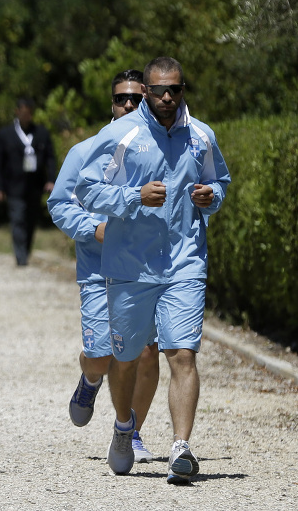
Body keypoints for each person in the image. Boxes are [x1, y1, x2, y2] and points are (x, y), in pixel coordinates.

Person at [74, 57, 230, 483]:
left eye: (175, 90)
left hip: (184, 262)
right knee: (125, 360)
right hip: (130, 267)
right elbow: (86, 188)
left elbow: (221, 183)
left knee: (182, 354)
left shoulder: (201, 135)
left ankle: (181, 446)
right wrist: (133, 198)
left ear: (183, 89)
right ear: (146, 90)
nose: (167, 97)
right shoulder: (120, 134)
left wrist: (209, 196)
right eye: (159, 90)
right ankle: (124, 427)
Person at [48, 69, 160, 463]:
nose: (128, 105)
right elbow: (59, 204)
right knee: (101, 356)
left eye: (135, 98)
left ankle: (132, 433)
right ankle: (90, 378)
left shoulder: (162, 148)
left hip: (145, 271)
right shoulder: (86, 151)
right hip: (99, 272)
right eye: (120, 99)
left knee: (146, 354)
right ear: (111, 104)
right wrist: (93, 229)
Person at [0, 97, 56, 266]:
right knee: (18, 220)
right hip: (14, 186)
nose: (26, 116)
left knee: (30, 221)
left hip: (35, 186)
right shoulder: (5, 135)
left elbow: (50, 158)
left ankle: (26, 251)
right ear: (17, 112)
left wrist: (51, 179)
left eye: (29, 113)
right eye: (23, 113)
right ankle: (21, 257)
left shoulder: (41, 133)